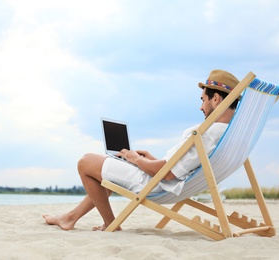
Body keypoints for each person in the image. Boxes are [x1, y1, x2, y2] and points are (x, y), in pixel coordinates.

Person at [43, 69, 240, 231]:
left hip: (154, 183)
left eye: (202, 100)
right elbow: (179, 168)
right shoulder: (226, 133)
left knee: (86, 162)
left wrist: (135, 159)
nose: (201, 107)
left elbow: (169, 174)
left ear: (215, 99)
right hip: (163, 180)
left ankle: (110, 224)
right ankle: (70, 218)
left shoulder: (205, 133)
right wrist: (149, 159)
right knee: (101, 171)